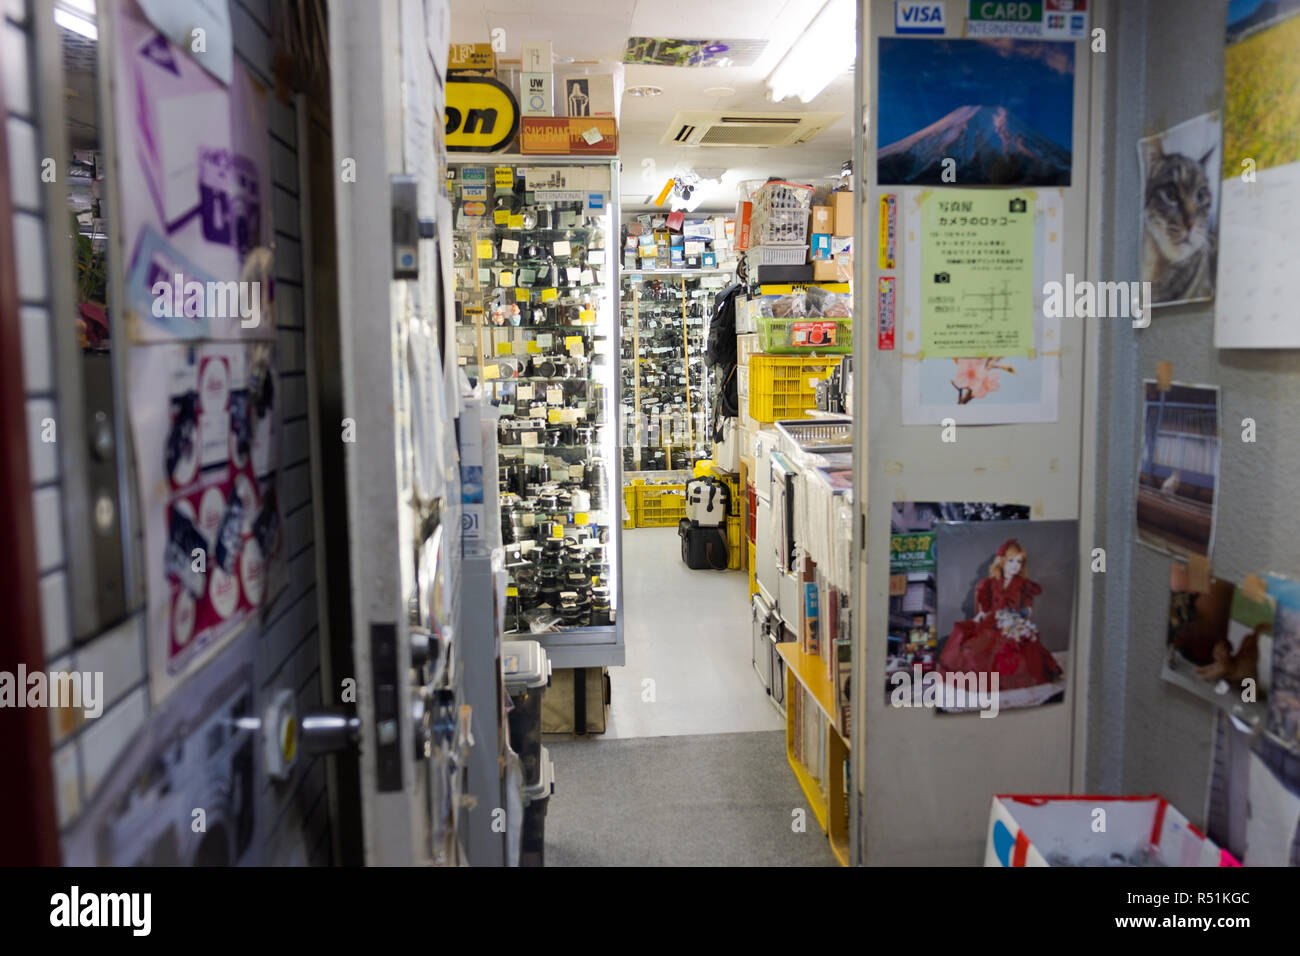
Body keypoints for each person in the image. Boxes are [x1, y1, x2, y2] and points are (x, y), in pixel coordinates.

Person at [937, 538, 1063, 689]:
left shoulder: (1024, 585)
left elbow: (1029, 608)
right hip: (992, 622)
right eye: (1011, 561)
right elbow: (984, 608)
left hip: (1013, 624)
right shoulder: (990, 583)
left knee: (1019, 654)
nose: (1015, 566)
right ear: (1002, 561)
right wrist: (978, 618)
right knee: (975, 651)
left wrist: (1022, 614)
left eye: (1019, 562)